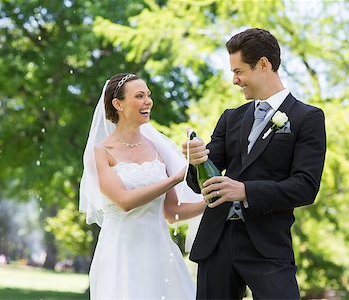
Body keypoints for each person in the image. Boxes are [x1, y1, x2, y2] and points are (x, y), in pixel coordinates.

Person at [183, 28, 326, 299]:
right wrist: (196, 161)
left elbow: (305, 187)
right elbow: (199, 184)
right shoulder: (230, 117)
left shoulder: (307, 118)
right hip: (217, 242)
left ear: (263, 64)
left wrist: (245, 190)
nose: (235, 80)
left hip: (268, 246)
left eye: (239, 71)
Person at [79, 73, 207, 300]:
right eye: (139, 96)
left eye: (148, 95)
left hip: (160, 251)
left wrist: (209, 202)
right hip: (121, 253)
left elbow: (172, 212)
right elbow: (124, 201)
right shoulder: (100, 153)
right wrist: (176, 178)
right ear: (118, 104)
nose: (148, 101)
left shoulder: (156, 147)